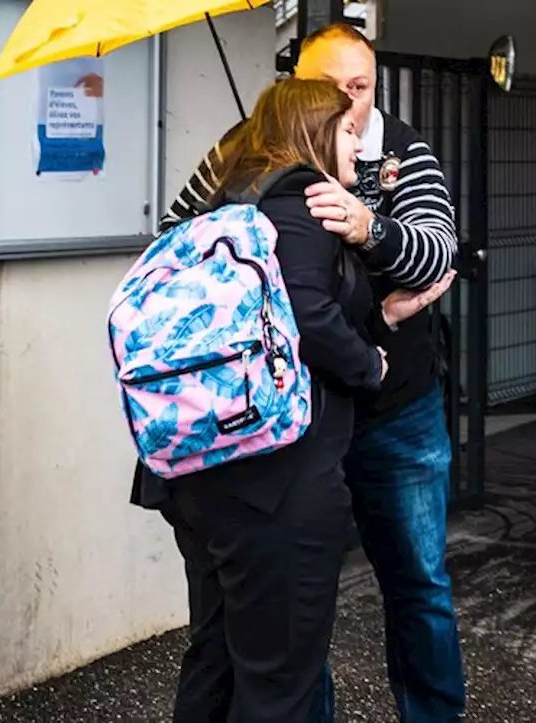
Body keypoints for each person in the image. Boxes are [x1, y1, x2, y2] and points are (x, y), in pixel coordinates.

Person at [161, 24, 466, 723]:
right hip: (292, 419)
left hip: (393, 409)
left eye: (359, 90)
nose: (349, 109)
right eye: (331, 93)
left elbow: (438, 257)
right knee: (297, 604)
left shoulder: (405, 152)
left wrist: (367, 228)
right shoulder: (251, 154)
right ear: (298, 90)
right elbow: (178, 240)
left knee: (416, 586)